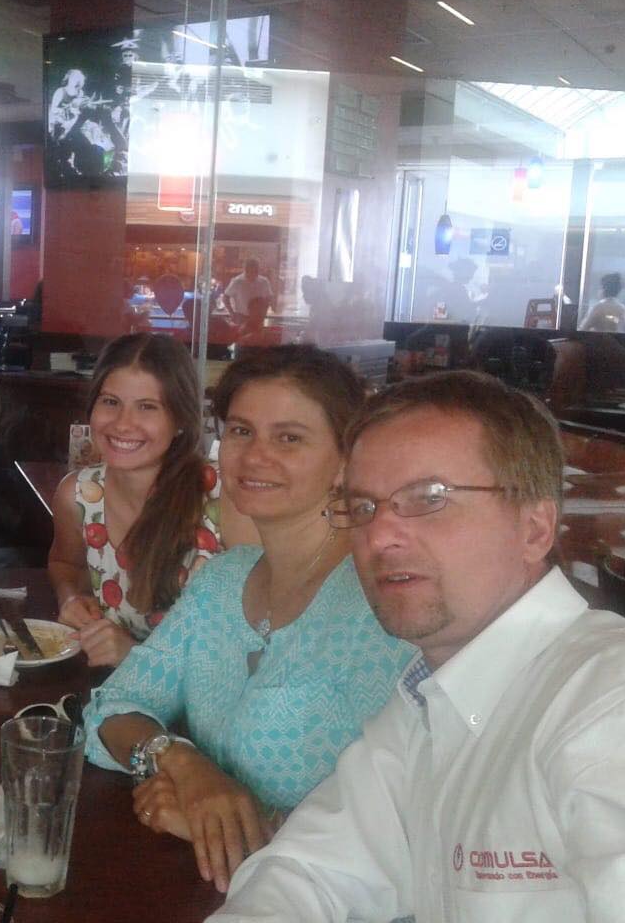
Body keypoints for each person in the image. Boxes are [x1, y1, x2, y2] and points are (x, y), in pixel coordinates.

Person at [210, 370, 625, 922]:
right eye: (363, 507)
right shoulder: (425, 705)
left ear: (535, 529)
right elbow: (309, 870)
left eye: (429, 498)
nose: (379, 536)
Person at [82, 344, 417, 893]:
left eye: (289, 438)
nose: (255, 456)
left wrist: (243, 823)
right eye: (241, 431)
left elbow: (410, 829)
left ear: (345, 460)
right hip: (199, 891)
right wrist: (182, 765)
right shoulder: (222, 580)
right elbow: (112, 708)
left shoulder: (388, 609)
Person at [49, 333, 258, 667]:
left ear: (180, 420)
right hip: (112, 690)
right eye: (110, 402)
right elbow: (65, 564)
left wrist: (135, 656)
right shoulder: (78, 496)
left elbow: (257, 650)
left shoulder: (228, 500)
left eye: (147, 407)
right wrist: (71, 597)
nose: (123, 423)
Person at [221, 258, 273, 337]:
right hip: (242, 317)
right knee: (240, 339)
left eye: (256, 271)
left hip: (258, 318)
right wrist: (231, 313)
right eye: (251, 271)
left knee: (258, 340)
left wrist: (264, 313)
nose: (253, 274)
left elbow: (269, 298)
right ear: (245, 270)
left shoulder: (264, 281)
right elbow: (225, 297)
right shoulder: (237, 281)